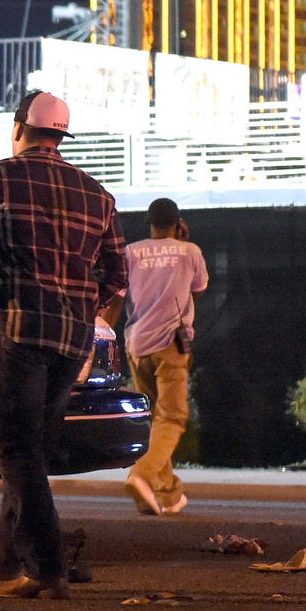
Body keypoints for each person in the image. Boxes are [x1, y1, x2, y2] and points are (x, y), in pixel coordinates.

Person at [0, 90, 126, 599]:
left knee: (13, 452)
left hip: (17, 330)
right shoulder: (97, 194)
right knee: (32, 453)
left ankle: (48, 567)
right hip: (72, 341)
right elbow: (118, 274)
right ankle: (6, 568)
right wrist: (84, 312)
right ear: (60, 136)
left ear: (18, 127)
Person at [115, 198, 207, 515]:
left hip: (137, 344)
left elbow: (118, 295)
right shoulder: (190, 251)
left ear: (148, 221)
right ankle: (141, 475)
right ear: (177, 222)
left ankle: (168, 493)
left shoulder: (131, 252)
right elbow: (199, 288)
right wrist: (180, 244)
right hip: (170, 344)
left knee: (153, 418)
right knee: (173, 417)